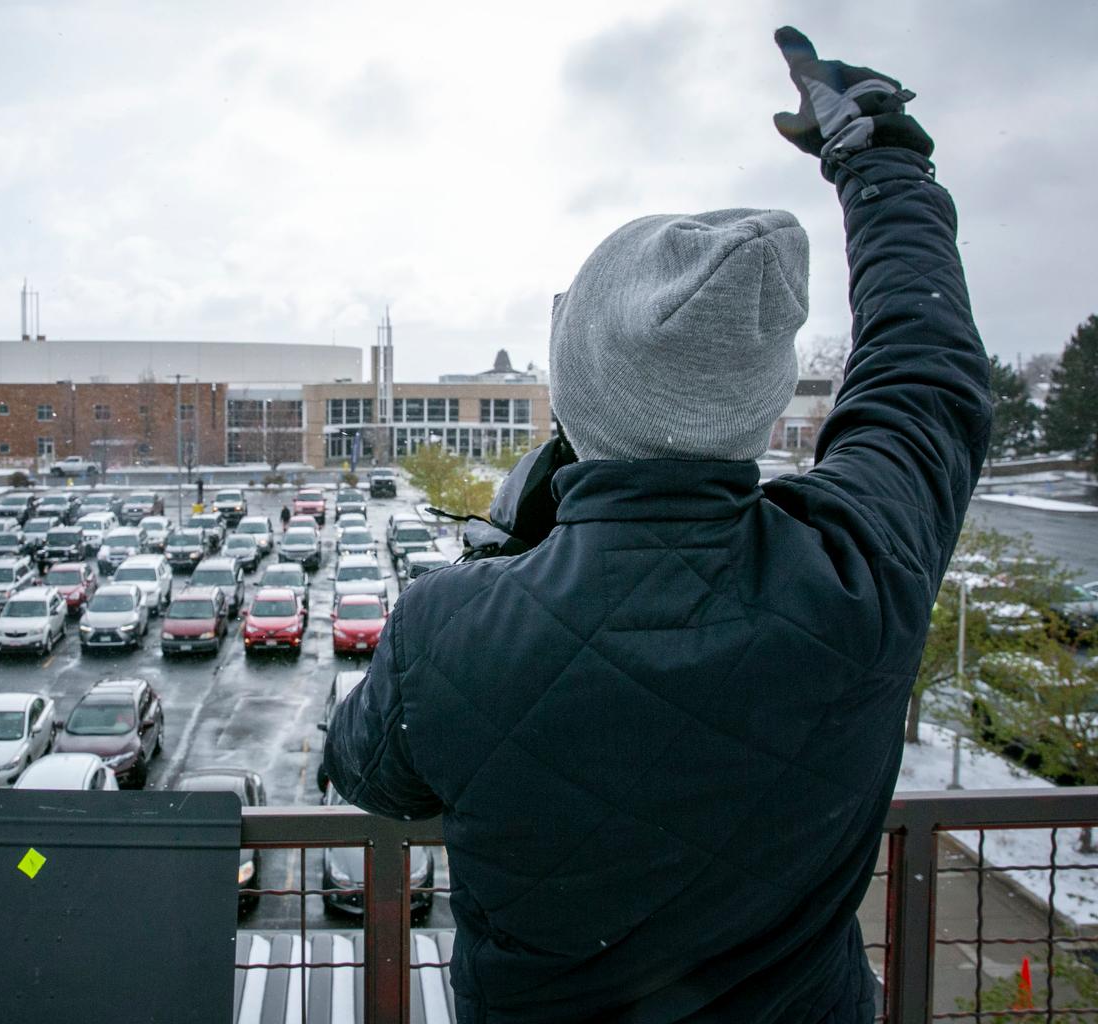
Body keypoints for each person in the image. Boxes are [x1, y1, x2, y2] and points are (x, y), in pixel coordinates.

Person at [325, 27, 991, 1024]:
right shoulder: (859, 574)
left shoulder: (452, 627)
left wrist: (514, 559)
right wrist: (881, 163)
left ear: (577, 393)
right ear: (759, 404)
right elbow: (924, 367)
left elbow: (369, 770)